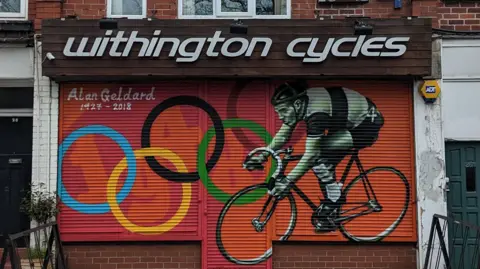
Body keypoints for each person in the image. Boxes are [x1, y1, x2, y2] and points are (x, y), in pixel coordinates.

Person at [244, 80, 384, 233]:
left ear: (297, 104)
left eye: (283, 111)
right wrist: (263, 155)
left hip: (366, 126)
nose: (280, 116)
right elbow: (283, 136)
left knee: (318, 157)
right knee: (318, 156)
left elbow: (311, 155)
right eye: (278, 112)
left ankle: (335, 199)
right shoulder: (299, 103)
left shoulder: (317, 113)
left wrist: (288, 182)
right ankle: (332, 197)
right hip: (344, 120)